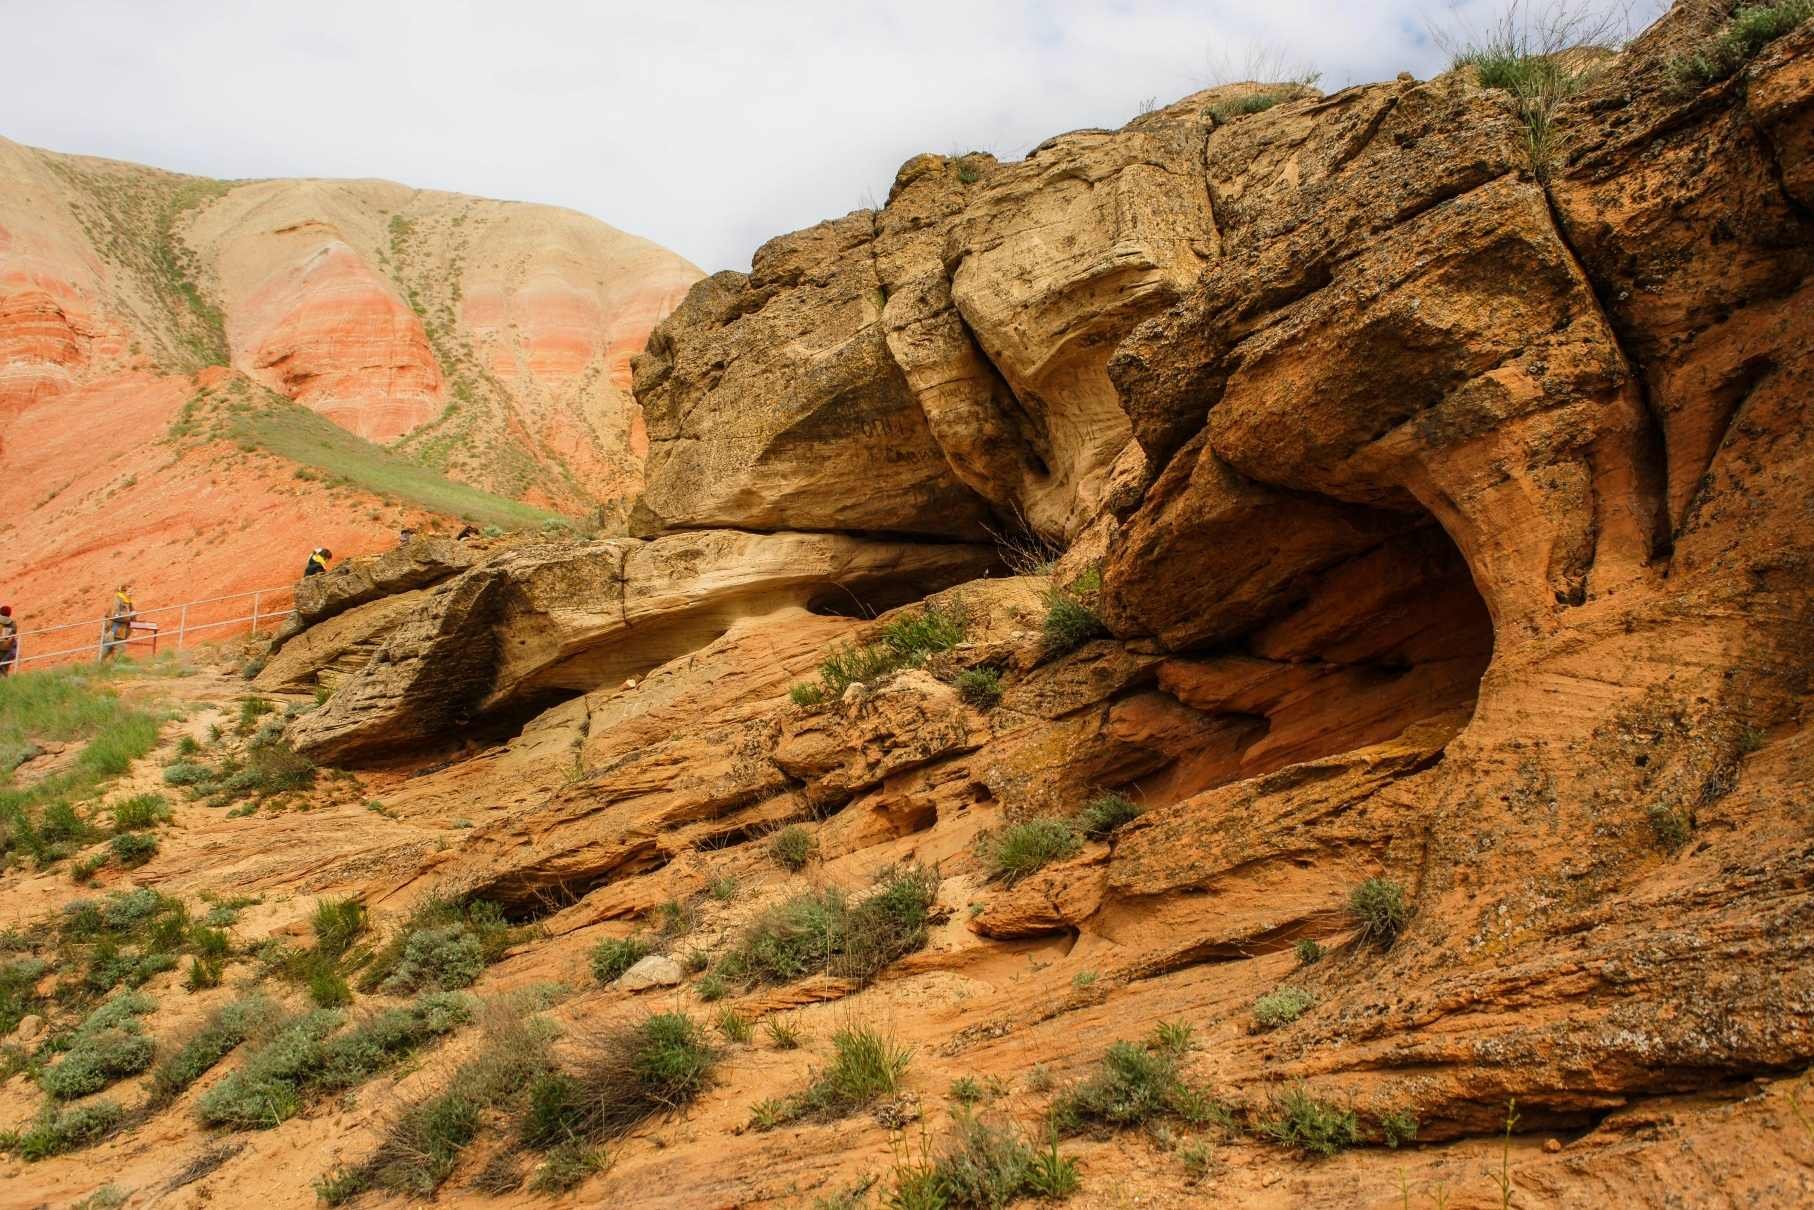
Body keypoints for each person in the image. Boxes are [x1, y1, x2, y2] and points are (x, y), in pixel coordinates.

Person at [100, 585, 135, 662]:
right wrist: (129, 615)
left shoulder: (127, 602)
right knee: (112, 650)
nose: (132, 593)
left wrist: (133, 616)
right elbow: (115, 615)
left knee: (110, 651)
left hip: (121, 631)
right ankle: (101, 667)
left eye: (132, 591)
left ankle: (104, 667)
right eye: (130, 592)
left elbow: (131, 617)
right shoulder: (117, 600)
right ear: (123, 591)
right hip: (113, 630)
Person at [0, 605, 17, 677]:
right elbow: (9, 635)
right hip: (6, 648)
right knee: (4, 667)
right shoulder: (12, 624)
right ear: (10, 613)